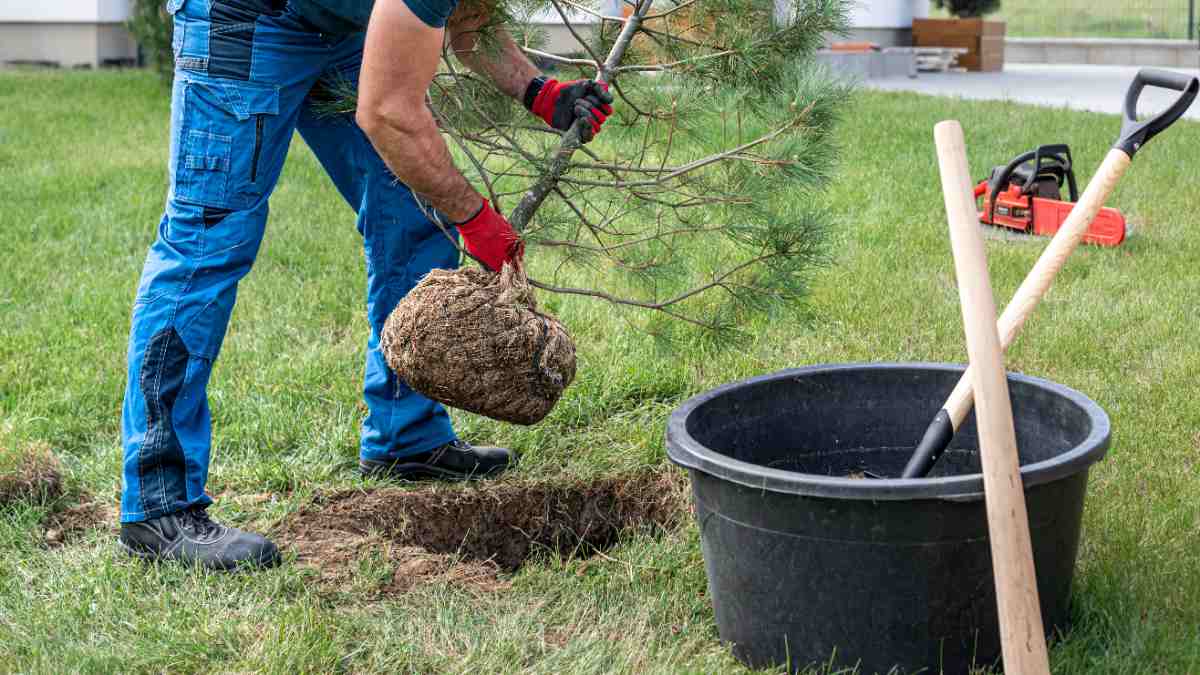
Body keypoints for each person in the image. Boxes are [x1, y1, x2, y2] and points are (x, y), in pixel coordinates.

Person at [117, 0, 614, 571]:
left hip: (341, 27)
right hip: (244, 18)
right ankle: (159, 509)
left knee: (410, 215)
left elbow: (466, 14)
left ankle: (407, 436)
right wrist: (474, 218)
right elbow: (388, 112)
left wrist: (541, 92)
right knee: (208, 243)